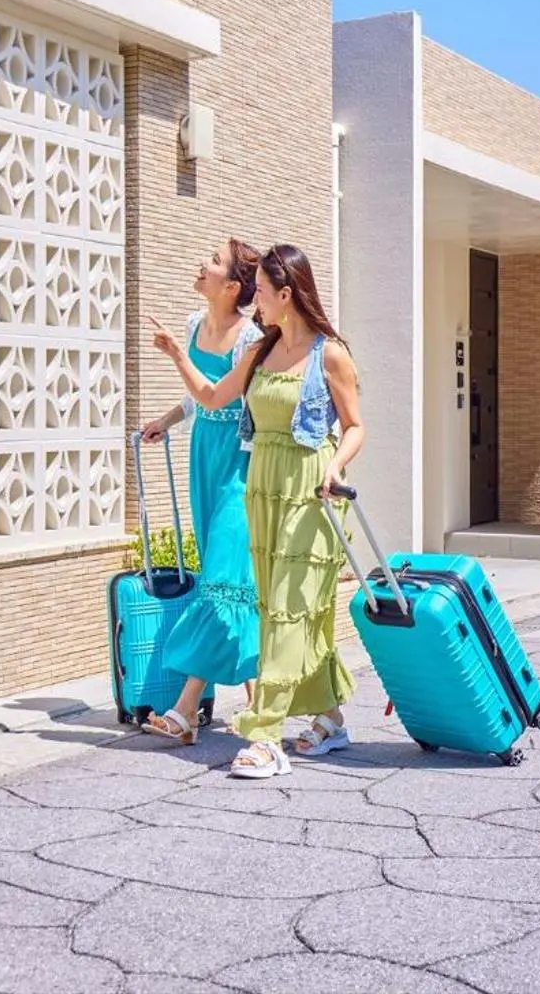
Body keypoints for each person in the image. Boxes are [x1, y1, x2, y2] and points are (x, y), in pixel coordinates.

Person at [149, 243, 365, 779]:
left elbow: (356, 425)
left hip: (310, 493)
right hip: (261, 492)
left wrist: (335, 465)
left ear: (287, 295)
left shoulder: (328, 352)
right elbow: (212, 398)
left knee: (289, 610)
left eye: (264, 294)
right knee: (283, 613)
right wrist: (177, 354)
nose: (256, 303)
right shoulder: (260, 351)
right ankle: (331, 718)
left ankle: (265, 737)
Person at [134, 240, 263, 743]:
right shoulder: (193, 324)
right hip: (203, 460)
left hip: (239, 468)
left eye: (212, 261)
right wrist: (166, 421)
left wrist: (171, 355)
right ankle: (259, 706)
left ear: (232, 286)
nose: (201, 265)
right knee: (234, 584)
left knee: (221, 583)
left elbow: (217, 395)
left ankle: (185, 711)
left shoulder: (250, 339)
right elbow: (198, 400)